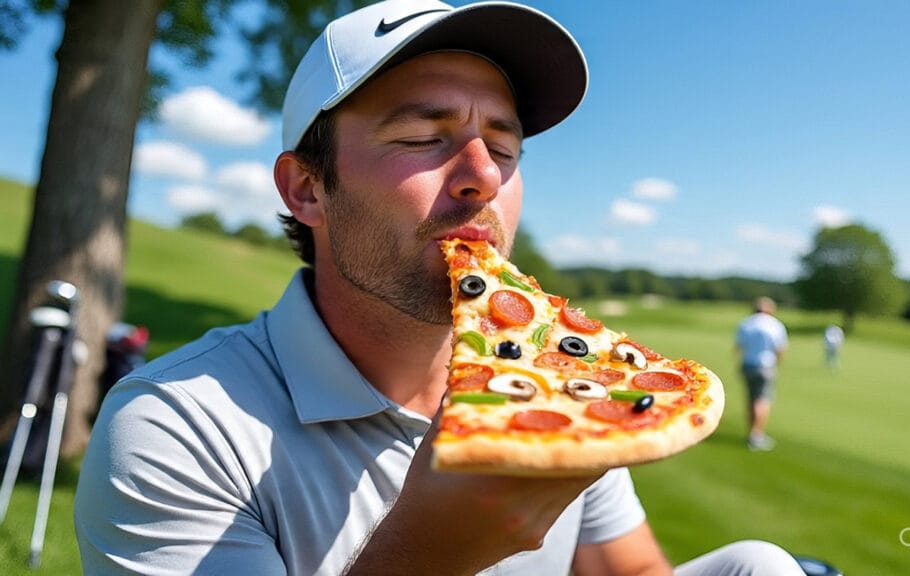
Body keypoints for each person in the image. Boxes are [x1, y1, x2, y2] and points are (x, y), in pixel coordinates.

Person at [74, 1, 806, 574]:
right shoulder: (176, 426)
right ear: (308, 189)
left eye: (506, 146)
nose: (483, 175)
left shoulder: (565, 382)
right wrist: (430, 554)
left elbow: (632, 569)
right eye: (425, 137)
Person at [735, 297, 789, 451]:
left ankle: (751, 432)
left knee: (751, 400)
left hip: (748, 365)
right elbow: (781, 349)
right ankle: (756, 436)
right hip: (766, 366)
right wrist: (777, 364)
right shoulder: (775, 325)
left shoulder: (746, 323)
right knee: (762, 401)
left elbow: (739, 346)